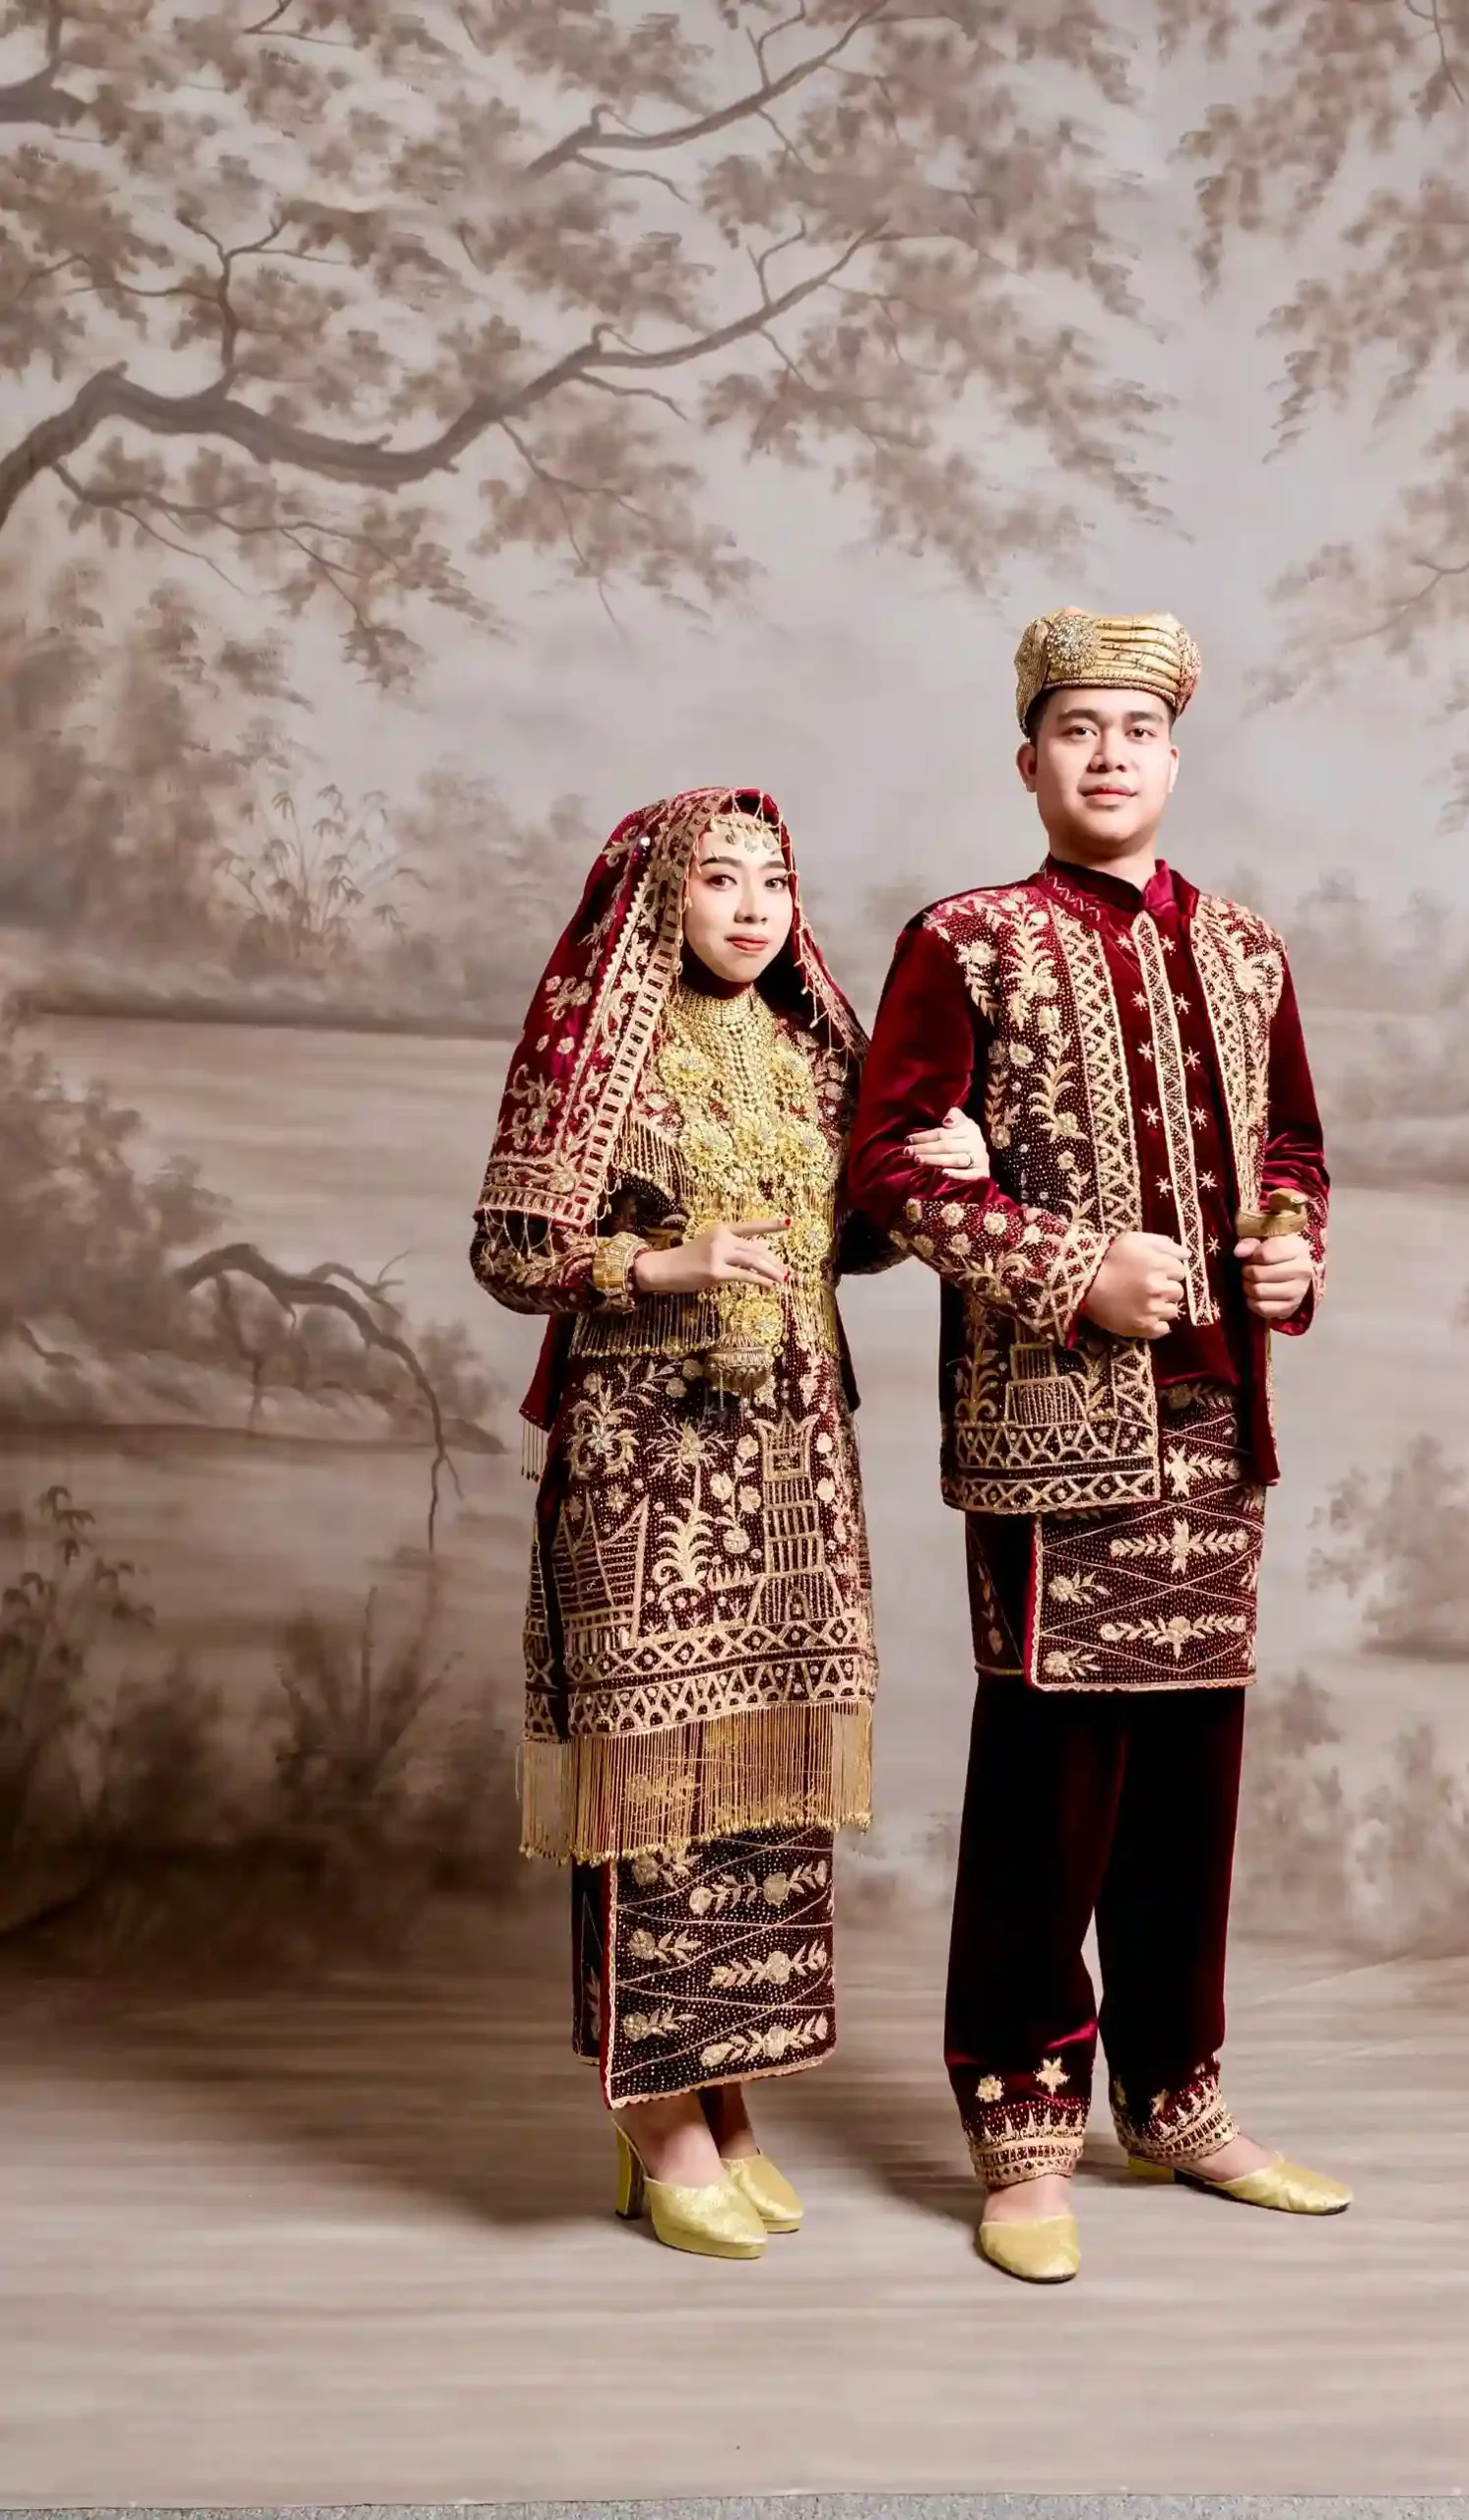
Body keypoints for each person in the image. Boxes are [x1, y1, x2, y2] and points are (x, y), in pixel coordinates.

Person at [847, 609, 1351, 2284]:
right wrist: (1070, 1266)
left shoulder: (1247, 948)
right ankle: (1019, 2131)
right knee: (1047, 1789)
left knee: (1190, 1781)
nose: (1109, 754)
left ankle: (1177, 2096)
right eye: (1077, 729)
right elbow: (886, 1170)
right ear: (1028, 761)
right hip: (1049, 1426)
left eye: (1136, 729)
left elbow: (1292, 1146)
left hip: (1216, 1423)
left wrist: (1287, 1252)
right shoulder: (966, 942)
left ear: (1175, 758)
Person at [471, 786, 986, 2261]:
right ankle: (654, 2111)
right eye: (718, 880)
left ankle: (726, 2093)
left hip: (795, 1456)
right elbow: (510, 1246)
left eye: (773, 881)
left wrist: (938, 1166)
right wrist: (655, 1266)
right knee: (655, 1778)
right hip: (646, 1461)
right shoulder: (601, 1043)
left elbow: (856, 1231)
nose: (753, 909)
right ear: (660, 898)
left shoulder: (810, 1042)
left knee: (763, 1785)